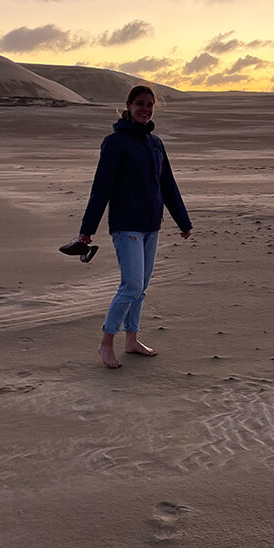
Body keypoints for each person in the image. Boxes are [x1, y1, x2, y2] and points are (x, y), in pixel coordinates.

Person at [78, 85, 192, 368]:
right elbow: (101, 188)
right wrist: (87, 229)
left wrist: (183, 221)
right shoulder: (115, 143)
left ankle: (132, 339)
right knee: (131, 285)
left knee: (141, 287)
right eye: (140, 104)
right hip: (126, 224)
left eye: (150, 104)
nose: (145, 109)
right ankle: (106, 343)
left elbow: (167, 184)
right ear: (128, 106)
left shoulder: (155, 144)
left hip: (151, 224)